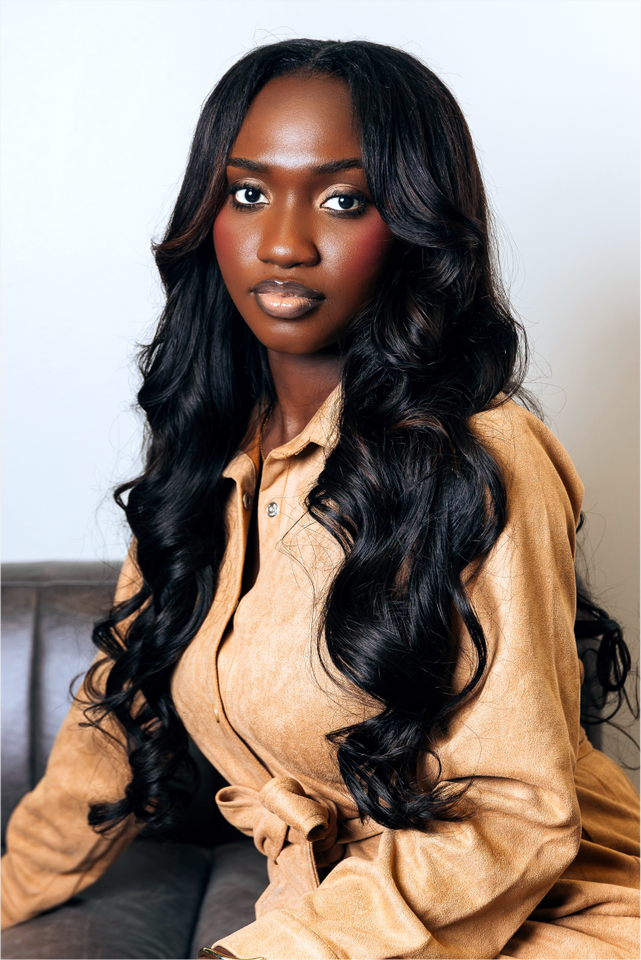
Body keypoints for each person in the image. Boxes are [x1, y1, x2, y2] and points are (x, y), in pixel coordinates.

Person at [1, 39, 639, 960]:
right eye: (247, 194)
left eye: (343, 200)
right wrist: (12, 890)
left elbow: (513, 818)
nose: (283, 243)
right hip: (347, 922)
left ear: (414, 226)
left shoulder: (478, 457)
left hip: (548, 919)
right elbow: (114, 721)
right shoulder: (205, 457)